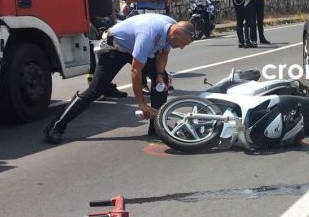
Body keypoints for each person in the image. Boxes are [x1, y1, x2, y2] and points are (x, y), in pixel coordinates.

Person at [43, 15, 195, 144]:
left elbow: (163, 54)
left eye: (185, 45)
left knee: (162, 81)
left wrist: (160, 75)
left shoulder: (171, 31)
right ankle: (55, 126)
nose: (181, 47)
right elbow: (136, 71)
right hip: (115, 47)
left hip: (133, 46)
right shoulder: (148, 34)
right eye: (182, 43)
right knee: (96, 90)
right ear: (175, 32)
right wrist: (142, 104)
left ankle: (156, 128)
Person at [84, 0, 128, 99]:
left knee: (109, 56)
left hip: (108, 21)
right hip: (94, 22)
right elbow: (82, 1)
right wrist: (88, 22)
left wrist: (114, 17)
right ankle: (95, 89)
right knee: (96, 57)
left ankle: (106, 86)